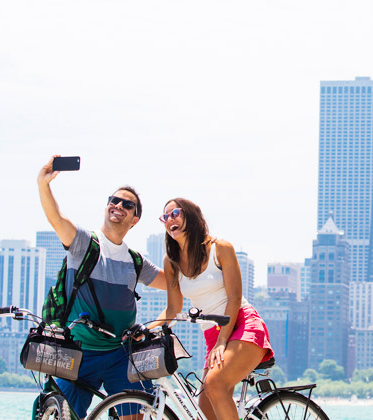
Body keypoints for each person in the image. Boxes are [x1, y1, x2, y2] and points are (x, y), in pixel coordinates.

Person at [37, 155, 167, 419]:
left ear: (135, 218)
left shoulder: (135, 261)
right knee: (65, 414)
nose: (118, 205)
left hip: (121, 354)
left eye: (127, 204)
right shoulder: (83, 244)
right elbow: (56, 219)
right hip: (79, 355)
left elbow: (174, 282)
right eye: (113, 200)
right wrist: (43, 184)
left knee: (136, 415)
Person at [157, 198, 273, 420]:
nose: (170, 219)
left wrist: (222, 341)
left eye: (176, 213)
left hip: (242, 325)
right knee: (206, 412)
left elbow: (234, 296)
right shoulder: (171, 261)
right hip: (213, 335)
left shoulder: (220, 248)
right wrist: (146, 329)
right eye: (166, 216)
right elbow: (173, 308)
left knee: (214, 384)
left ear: (192, 216)